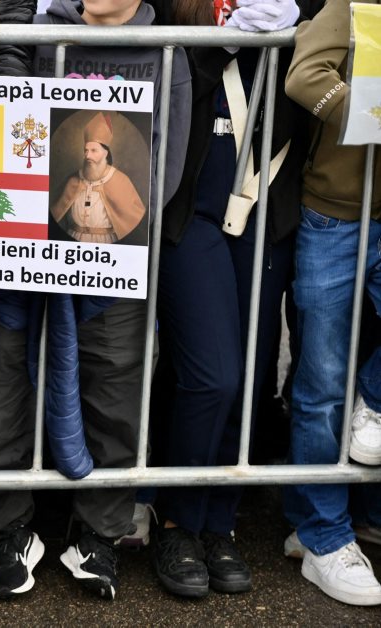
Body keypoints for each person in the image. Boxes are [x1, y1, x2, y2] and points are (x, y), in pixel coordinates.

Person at [22, 0, 192, 602]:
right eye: (87, 147)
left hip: (117, 258)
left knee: (116, 379)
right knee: (16, 373)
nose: (91, 151)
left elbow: (166, 165)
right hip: (36, 249)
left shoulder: (166, 50)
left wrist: (121, 238)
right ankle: (15, 525)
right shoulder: (41, 35)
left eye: (99, 147)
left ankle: (100, 529)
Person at [148, 0, 313, 600]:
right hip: (193, 213)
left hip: (268, 215)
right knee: (213, 376)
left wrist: (300, 17)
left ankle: (219, 523)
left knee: (249, 379)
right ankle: (177, 521)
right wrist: (216, 41)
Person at [282, 0, 381, 607]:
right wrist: (371, 113)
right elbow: (304, 77)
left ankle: (374, 403)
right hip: (334, 215)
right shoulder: (353, 3)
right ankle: (322, 536)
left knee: (342, 389)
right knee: (320, 384)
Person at [50, 112, 148, 245]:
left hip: (105, 242)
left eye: (93, 150)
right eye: (86, 150)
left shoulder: (120, 180)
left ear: (105, 153)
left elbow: (134, 220)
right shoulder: (73, 180)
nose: (87, 156)